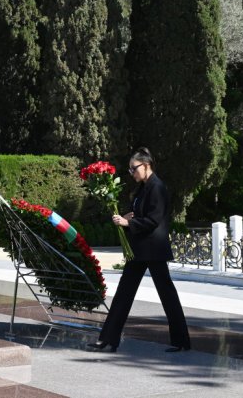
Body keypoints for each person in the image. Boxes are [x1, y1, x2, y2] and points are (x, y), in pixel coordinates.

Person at [87, 147, 191, 353]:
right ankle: (108, 339)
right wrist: (127, 217)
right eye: (130, 170)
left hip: (154, 250)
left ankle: (181, 341)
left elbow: (154, 220)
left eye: (134, 169)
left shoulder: (157, 187)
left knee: (167, 294)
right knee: (123, 293)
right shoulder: (144, 188)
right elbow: (141, 213)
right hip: (140, 249)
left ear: (146, 165)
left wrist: (128, 225)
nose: (132, 173)